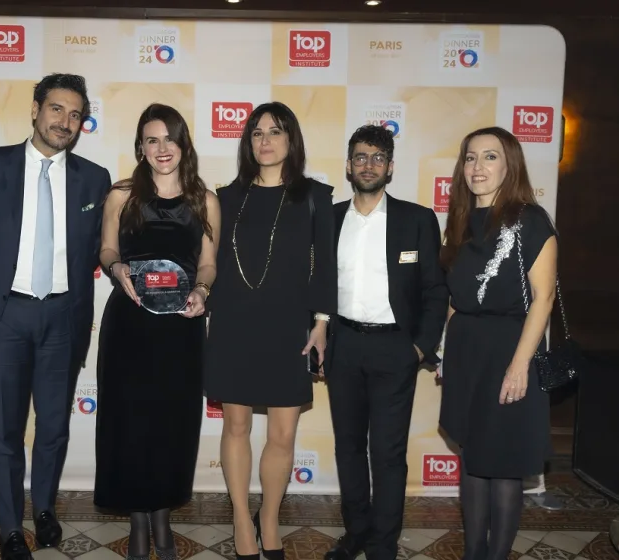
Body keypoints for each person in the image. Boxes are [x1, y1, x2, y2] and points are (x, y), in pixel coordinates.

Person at [0, 73, 112, 560]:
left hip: (63, 318)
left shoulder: (94, 178)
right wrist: (4, 279)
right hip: (5, 316)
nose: (65, 121)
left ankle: (44, 508)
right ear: (35, 109)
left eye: (75, 115)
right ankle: (9, 526)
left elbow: (98, 247)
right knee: (4, 431)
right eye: (56, 109)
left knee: (53, 427)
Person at [204, 101, 336, 560]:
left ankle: (270, 518)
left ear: (291, 139)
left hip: (288, 326)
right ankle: (242, 518)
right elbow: (211, 261)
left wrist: (322, 323)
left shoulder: (315, 196)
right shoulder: (226, 197)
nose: (265, 140)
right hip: (233, 323)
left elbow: (326, 267)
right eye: (257, 132)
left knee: (283, 434)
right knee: (236, 425)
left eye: (275, 131)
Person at [94, 103, 220, 560]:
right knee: (128, 422)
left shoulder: (205, 201)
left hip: (180, 327)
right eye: (152, 139)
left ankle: (162, 515)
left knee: (173, 423)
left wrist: (202, 291)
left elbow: (208, 263)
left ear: (183, 144)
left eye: (170, 138)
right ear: (141, 148)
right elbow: (107, 249)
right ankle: (137, 520)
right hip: (129, 324)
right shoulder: (121, 195)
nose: (162, 148)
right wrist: (116, 268)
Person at [324, 125, 448, 560]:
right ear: (348, 165)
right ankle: (356, 532)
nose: (369, 165)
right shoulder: (330, 219)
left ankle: (382, 545)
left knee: (388, 453)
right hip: (343, 347)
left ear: (391, 167)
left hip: (395, 348)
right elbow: (315, 285)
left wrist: (419, 348)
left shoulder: (417, 220)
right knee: (348, 449)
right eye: (361, 157)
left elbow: (435, 290)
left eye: (378, 157)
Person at [439, 126, 557, 560]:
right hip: (467, 352)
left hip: (511, 350)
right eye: (470, 157)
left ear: (510, 166)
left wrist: (519, 365)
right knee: (473, 457)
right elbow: (455, 297)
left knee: (504, 464)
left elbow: (543, 299)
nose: (477, 167)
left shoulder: (530, 220)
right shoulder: (460, 222)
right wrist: (446, 351)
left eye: (490, 157)